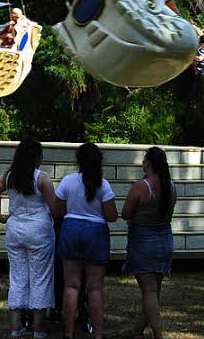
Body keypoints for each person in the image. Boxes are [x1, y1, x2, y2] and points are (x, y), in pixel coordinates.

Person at [0, 137, 57, 339]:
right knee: (40, 278)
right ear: (38, 158)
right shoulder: (42, 179)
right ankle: (39, 329)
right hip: (40, 232)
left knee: (17, 278)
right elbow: (56, 209)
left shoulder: (9, 176)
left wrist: (0, 217)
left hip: (15, 230)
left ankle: (17, 328)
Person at [55, 142, 118, 339]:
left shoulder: (67, 181)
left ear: (78, 161)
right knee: (95, 287)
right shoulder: (103, 184)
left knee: (71, 286)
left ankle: (68, 332)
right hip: (96, 233)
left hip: (71, 230)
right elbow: (112, 216)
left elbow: (57, 211)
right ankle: (98, 334)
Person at [122, 146, 177, 339]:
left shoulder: (140, 187)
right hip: (164, 241)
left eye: (144, 159)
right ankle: (137, 330)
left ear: (149, 163)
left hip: (143, 242)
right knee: (154, 291)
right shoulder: (171, 186)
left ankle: (158, 335)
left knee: (149, 291)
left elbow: (126, 214)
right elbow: (169, 215)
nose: (142, 163)